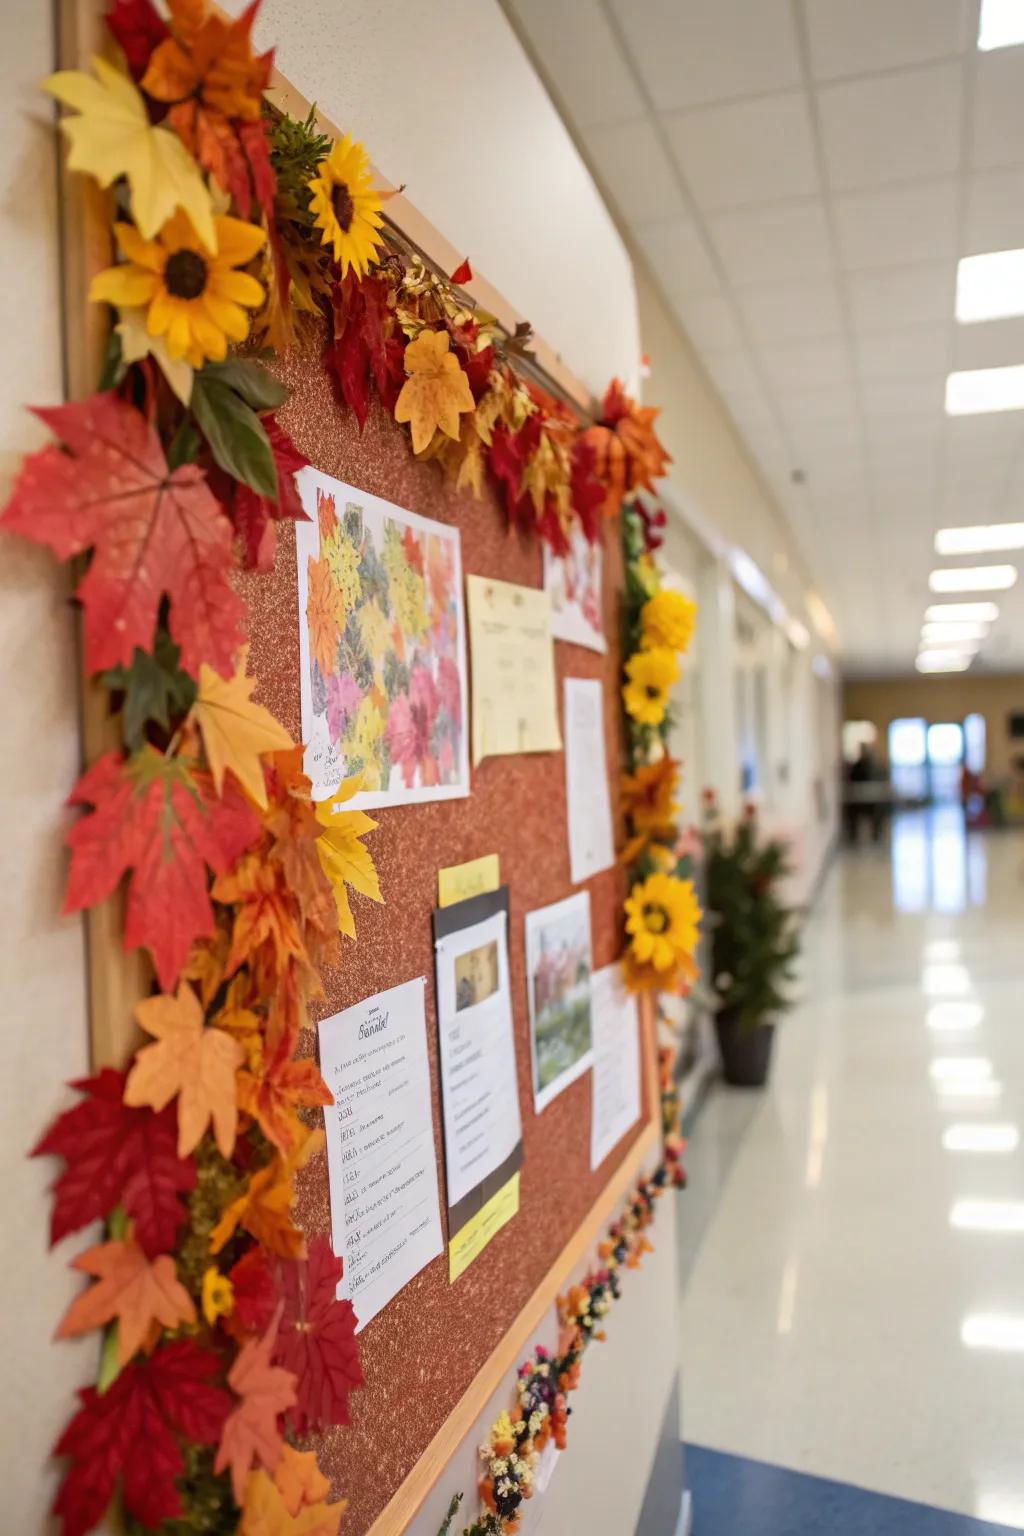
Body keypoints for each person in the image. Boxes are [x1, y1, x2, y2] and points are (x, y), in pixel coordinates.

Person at [844, 743, 883, 844]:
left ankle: (876, 836)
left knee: (877, 815)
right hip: (858, 798)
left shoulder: (874, 765)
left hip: (873, 799)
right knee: (852, 814)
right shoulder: (857, 766)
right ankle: (853, 837)